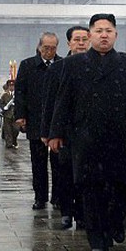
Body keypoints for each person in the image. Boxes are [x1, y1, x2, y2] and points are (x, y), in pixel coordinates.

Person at [48, 13, 126, 251]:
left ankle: (115, 221)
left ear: (115, 35)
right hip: (86, 137)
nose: (104, 35)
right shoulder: (73, 66)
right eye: (99, 31)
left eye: (109, 31)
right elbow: (63, 100)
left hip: (121, 137)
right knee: (91, 190)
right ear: (91, 34)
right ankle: (97, 240)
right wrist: (55, 133)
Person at [42, 25, 91, 230]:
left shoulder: (95, 65)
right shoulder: (57, 68)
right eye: (76, 40)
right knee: (63, 172)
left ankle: (81, 214)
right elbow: (49, 101)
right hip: (64, 130)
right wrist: (49, 132)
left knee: (85, 175)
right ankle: (66, 212)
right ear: (69, 43)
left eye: (84, 39)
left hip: (87, 131)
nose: (81, 43)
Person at [15, 32, 62, 210]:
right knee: (38, 162)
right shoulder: (28, 65)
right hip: (35, 119)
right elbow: (20, 92)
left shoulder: (62, 64)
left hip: (56, 121)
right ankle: (40, 197)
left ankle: (57, 197)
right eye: (46, 48)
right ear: (39, 47)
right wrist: (20, 115)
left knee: (58, 162)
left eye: (53, 48)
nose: (49, 52)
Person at [0, 79, 19, 148]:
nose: (11, 87)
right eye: (10, 86)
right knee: (8, 130)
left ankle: (14, 140)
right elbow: (1, 103)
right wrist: (3, 108)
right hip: (7, 115)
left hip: (15, 115)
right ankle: (9, 144)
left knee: (16, 130)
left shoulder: (17, 95)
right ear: (8, 86)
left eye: (13, 86)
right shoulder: (4, 95)